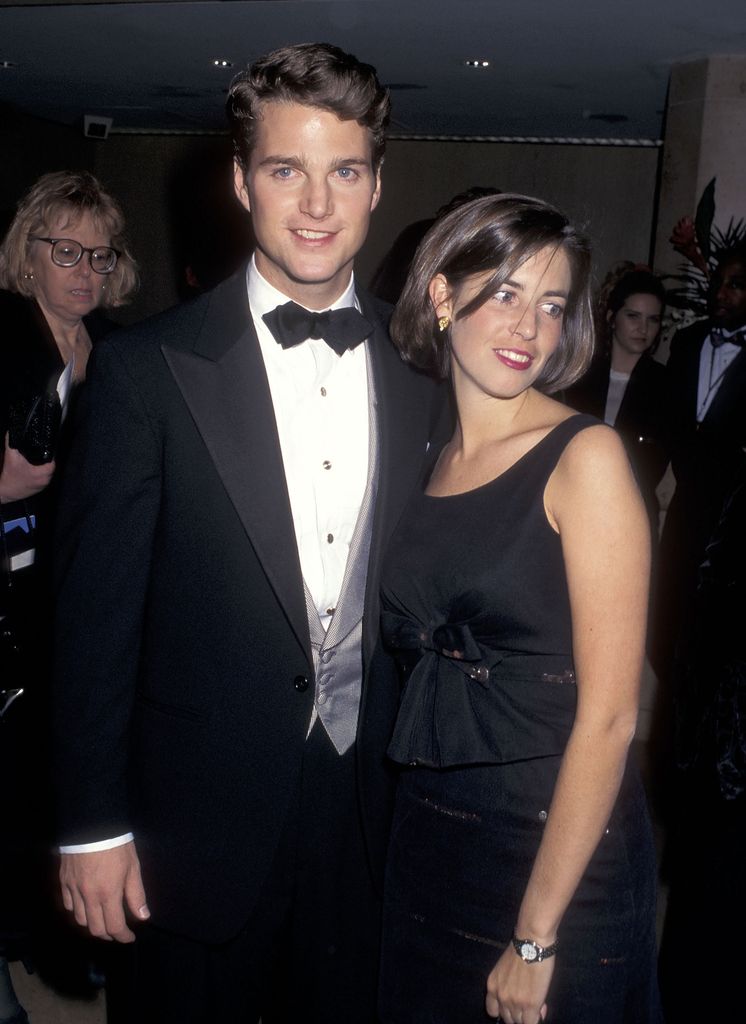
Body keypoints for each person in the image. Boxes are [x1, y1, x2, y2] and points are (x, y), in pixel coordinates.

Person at [52, 42, 444, 1024]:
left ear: (375, 184)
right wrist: (91, 825)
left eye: (342, 171)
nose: (315, 202)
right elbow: (92, 616)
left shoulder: (426, 373)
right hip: (191, 818)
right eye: (285, 170)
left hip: (368, 814)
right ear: (239, 181)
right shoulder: (146, 371)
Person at [378, 194, 662, 1023]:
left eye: (549, 305)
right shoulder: (425, 456)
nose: (528, 329)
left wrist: (536, 936)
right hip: (430, 837)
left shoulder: (586, 456)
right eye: (504, 293)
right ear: (440, 296)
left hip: (554, 855)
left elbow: (610, 717)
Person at [0, 170, 136, 1024]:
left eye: (100, 253)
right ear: (30, 252)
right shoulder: (0, 334)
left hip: (74, 600)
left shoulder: (116, 349)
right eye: (66, 251)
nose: (84, 270)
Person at [564, 266, 668, 528]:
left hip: (634, 511)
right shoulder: (578, 375)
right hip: (572, 502)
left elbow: (657, 462)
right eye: (633, 316)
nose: (643, 328)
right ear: (612, 317)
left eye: (653, 319)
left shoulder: (666, 385)